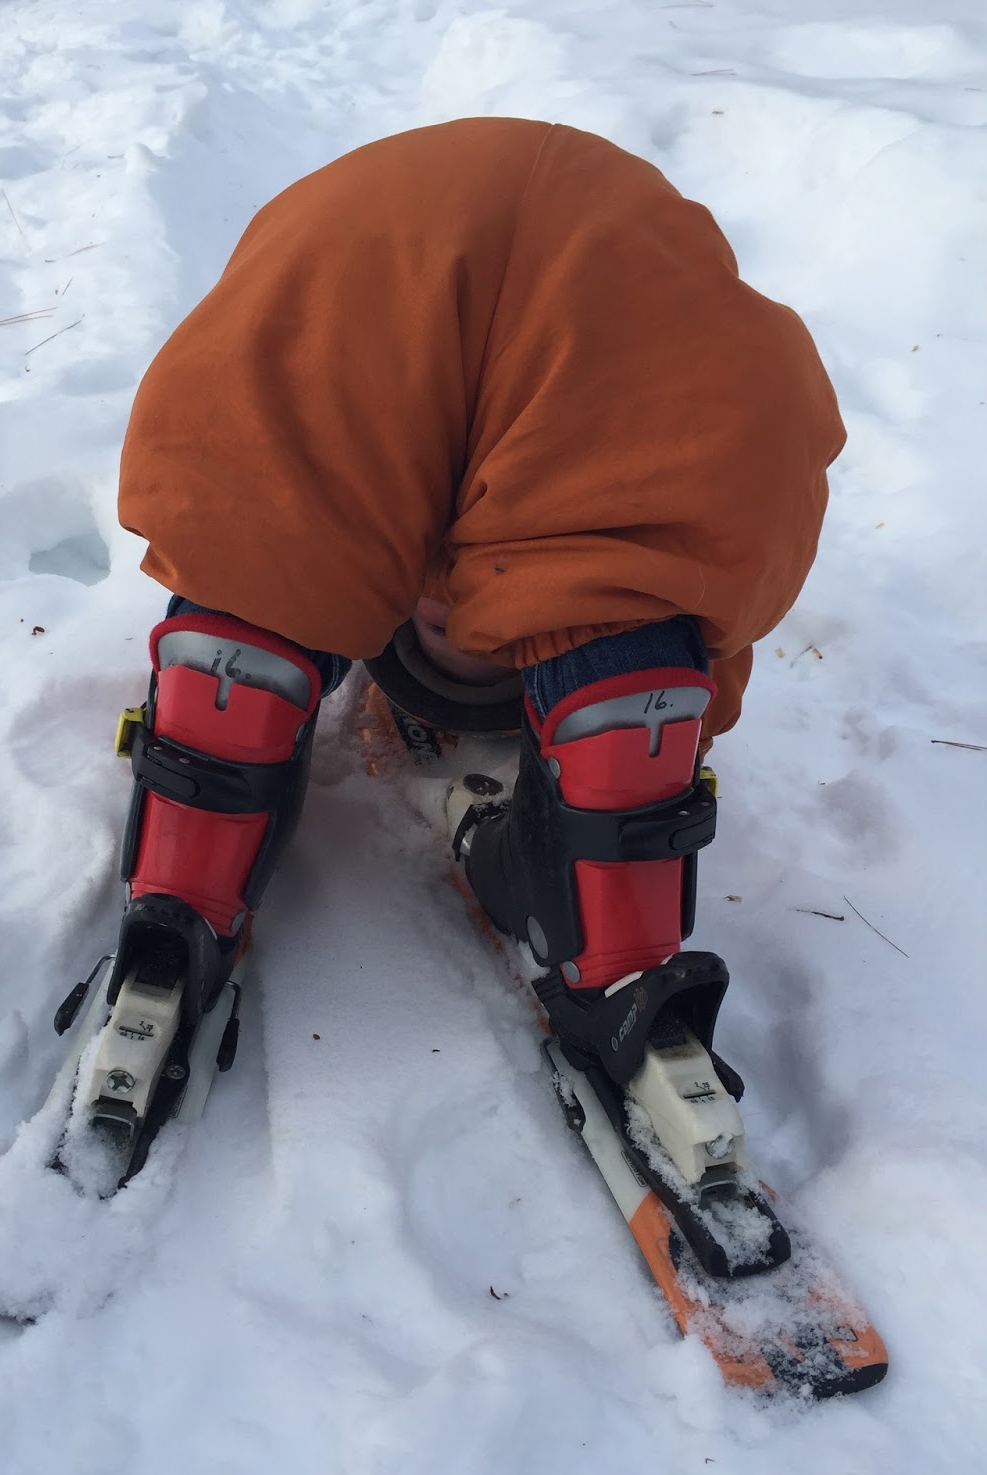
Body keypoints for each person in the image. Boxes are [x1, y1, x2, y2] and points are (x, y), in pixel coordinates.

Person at [110, 117, 844, 1042]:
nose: (463, 616)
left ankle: (213, 764)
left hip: (360, 248)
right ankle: (607, 902)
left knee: (271, 521)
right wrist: (652, 738)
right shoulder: (513, 514)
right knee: (631, 568)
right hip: (653, 317)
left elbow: (262, 509)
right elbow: (700, 610)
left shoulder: (393, 475)